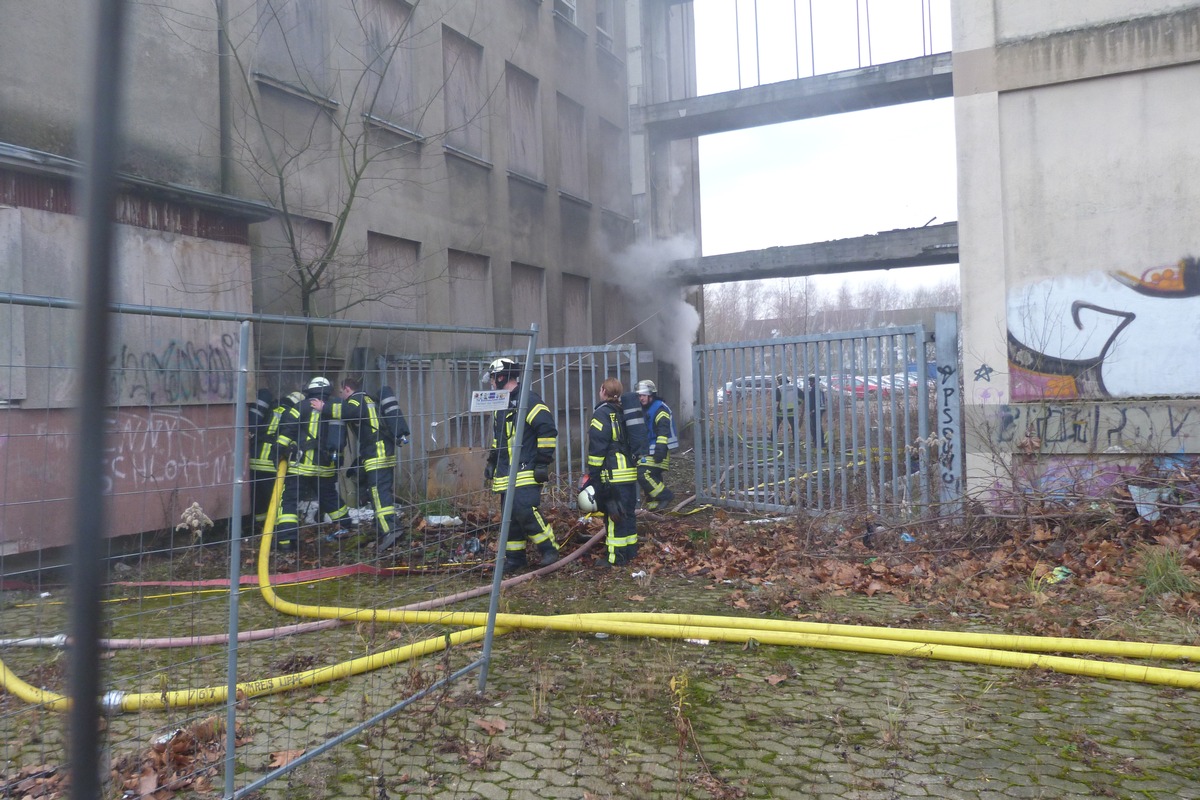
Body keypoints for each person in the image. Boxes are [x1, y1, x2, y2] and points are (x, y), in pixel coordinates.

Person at [484, 358, 560, 573]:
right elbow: (499, 438)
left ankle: (549, 548)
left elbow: (547, 430)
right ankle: (515, 559)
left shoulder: (529, 400)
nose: (490, 382)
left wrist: (543, 462)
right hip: (506, 471)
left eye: (492, 377)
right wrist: (492, 461)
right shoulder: (501, 402)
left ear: (501, 377)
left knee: (525, 511)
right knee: (510, 519)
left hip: (526, 469)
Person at [273, 376, 354, 551]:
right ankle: (347, 525)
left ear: (310, 390)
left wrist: (278, 450)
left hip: (300, 467)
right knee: (329, 497)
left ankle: (287, 541)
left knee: (289, 500)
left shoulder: (300, 407)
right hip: (325, 467)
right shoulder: (334, 408)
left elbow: (287, 430)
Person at [329, 377, 400, 547]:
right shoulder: (369, 399)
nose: (342, 396)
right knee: (380, 490)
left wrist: (323, 406)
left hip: (377, 454)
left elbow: (346, 412)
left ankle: (389, 529)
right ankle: (381, 526)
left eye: (341, 392)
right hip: (382, 451)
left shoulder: (356, 401)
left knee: (378, 492)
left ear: (347, 389)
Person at [584, 377, 639, 566]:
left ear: (602, 390)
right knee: (628, 513)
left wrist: (594, 475)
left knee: (614, 516)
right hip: (629, 472)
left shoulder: (601, 414)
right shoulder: (625, 412)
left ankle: (615, 558)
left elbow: (598, 448)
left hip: (612, 474)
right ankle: (630, 552)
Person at [248, 387, 304, 530]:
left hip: (254, 460)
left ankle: (258, 526)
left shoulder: (271, 408)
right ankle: (274, 529)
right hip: (271, 462)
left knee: (257, 499)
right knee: (274, 499)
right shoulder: (292, 414)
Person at [635, 379, 677, 512]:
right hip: (650, 450)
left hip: (660, 451)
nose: (640, 398)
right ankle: (655, 509)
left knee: (643, 474)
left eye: (643, 395)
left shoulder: (660, 409)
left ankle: (666, 496)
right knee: (654, 477)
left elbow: (663, 431)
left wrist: (660, 450)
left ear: (650, 395)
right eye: (639, 395)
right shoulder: (648, 408)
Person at [803, 375, 828, 449]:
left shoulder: (814, 389)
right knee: (816, 426)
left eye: (810, 381)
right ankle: (817, 442)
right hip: (821, 408)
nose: (809, 383)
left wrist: (811, 410)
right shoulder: (821, 387)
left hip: (816, 410)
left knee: (815, 427)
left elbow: (812, 401)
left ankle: (819, 443)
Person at [775, 374, 798, 440]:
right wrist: (797, 403)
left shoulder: (780, 388)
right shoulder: (794, 387)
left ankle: (773, 438)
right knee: (794, 426)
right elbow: (801, 396)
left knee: (776, 424)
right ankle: (795, 439)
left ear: (781, 380)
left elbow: (777, 399)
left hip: (781, 410)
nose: (778, 383)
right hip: (791, 410)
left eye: (778, 381)